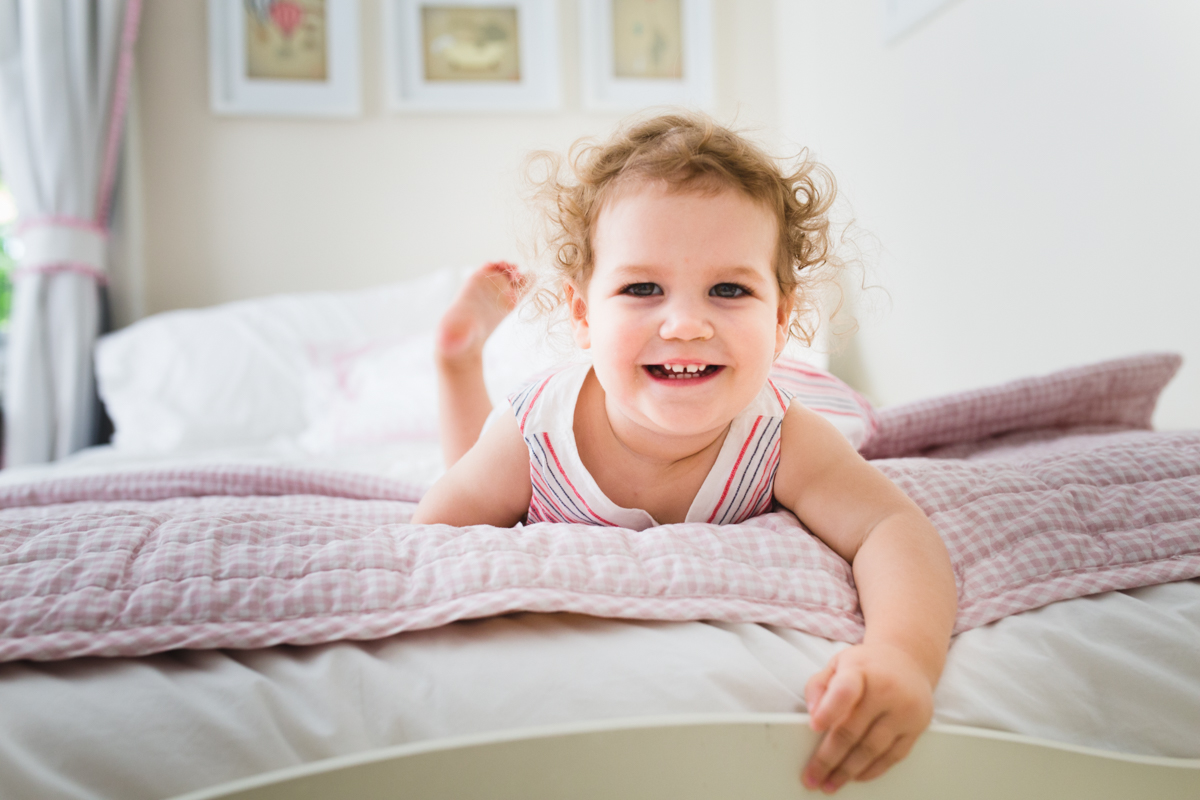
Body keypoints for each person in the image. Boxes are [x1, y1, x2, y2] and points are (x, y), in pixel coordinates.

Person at [413, 112, 956, 794]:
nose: (687, 324)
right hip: (526, 439)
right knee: (473, 479)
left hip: (800, 396)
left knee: (855, 423)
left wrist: (902, 656)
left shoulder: (781, 435)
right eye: (643, 289)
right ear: (583, 314)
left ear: (782, 316)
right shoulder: (536, 432)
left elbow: (892, 528)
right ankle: (458, 363)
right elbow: (434, 536)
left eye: (730, 290)